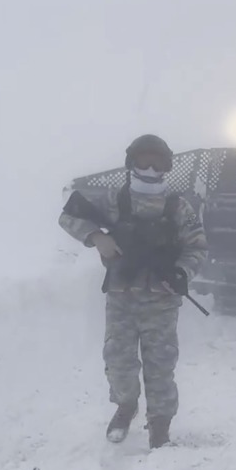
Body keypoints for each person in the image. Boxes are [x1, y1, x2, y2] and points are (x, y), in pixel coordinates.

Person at [58, 134, 207, 448]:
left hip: (162, 300)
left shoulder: (178, 207)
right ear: (131, 163)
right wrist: (97, 237)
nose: (150, 169)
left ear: (167, 167)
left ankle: (160, 426)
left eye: (158, 163)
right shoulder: (115, 200)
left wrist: (181, 272)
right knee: (118, 362)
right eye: (144, 161)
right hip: (121, 297)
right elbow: (68, 216)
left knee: (161, 367)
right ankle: (126, 407)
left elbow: (197, 247)